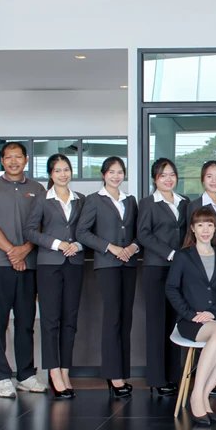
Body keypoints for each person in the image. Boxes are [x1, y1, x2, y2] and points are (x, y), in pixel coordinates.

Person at [0, 141, 47, 398]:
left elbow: (42, 226)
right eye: (9, 157)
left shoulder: (37, 189)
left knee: (26, 322)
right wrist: (12, 252)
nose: (14, 161)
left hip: (29, 264)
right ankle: (0, 377)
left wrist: (24, 250)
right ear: (2, 161)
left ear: (26, 160)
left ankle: (26, 375)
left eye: (18, 156)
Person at [166, 207, 216, 426]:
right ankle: (196, 395)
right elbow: (171, 288)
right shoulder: (183, 256)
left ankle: (203, 393)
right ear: (193, 228)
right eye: (200, 225)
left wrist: (214, 312)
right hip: (191, 321)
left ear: (215, 228)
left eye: (209, 225)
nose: (205, 230)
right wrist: (191, 314)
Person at [76, 156, 140, 397]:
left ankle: (122, 372)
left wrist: (133, 247)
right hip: (107, 265)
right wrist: (110, 247)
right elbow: (82, 232)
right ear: (103, 175)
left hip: (129, 264)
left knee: (126, 319)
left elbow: (138, 232)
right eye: (111, 172)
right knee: (113, 318)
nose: (116, 176)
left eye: (120, 171)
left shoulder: (130, 200)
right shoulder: (94, 200)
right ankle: (113, 376)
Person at [24, 154, 86, 399]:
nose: (63, 174)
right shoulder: (42, 199)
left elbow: (87, 231)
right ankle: (53, 371)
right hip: (49, 264)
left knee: (70, 320)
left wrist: (77, 245)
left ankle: (65, 370)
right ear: (50, 174)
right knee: (50, 320)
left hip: (75, 263)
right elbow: (30, 231)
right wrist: (58, 243)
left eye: (66, 169)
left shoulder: (80, 200)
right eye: (58, 170)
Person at [137, 158, 189, 397]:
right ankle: (157, 378)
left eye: (172, 174)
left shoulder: (184, 202)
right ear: (154, 179)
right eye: (163, 175)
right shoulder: (148, 203)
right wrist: (170, 253)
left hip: (179, 270)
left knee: (174, 323)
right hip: (157, 268)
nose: (168, 179)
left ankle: (173, 375)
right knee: (157, 323)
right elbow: (143, 235)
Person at [185, 160, 216, 249]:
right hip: (203, 255)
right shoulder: (195, 205)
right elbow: (191, 237)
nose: (214, 180)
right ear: (203, 179)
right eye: (209, 176)